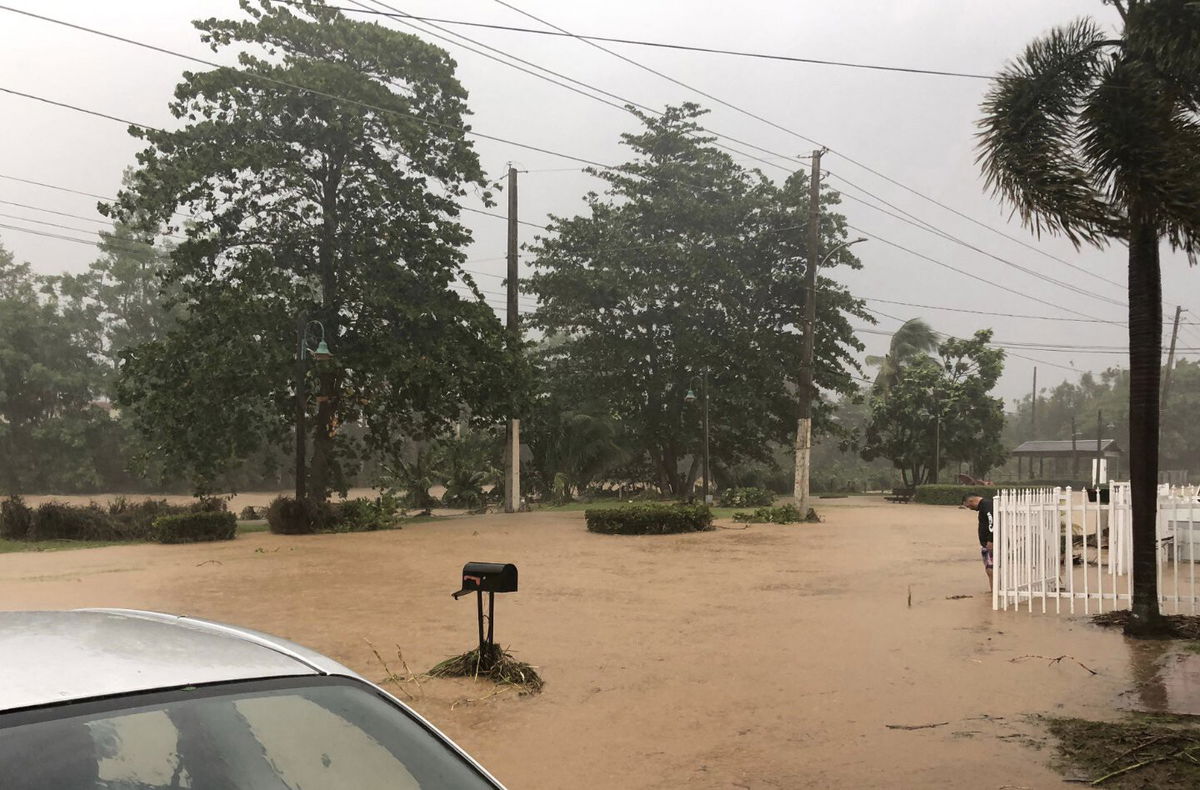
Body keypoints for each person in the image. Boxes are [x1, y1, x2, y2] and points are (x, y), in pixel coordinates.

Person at [962, 494, 994, 591]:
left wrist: (991, 540)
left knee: (990, 568)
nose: (970, 508)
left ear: (971, 501)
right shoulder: (983, 507)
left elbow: (993, 522)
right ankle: (994, 590)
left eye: (968, 506)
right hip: (986, 543)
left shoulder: (986, 505)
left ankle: (995, 592)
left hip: (990, 543)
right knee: (989, 569)